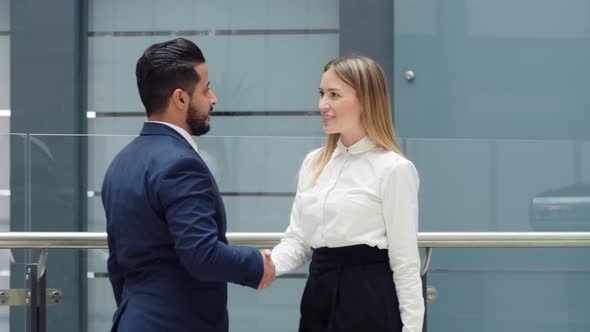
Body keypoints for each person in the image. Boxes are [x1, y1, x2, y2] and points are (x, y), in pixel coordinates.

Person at [101, 38, 275, 332]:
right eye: (206, 89)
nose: (213, 98)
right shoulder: (181, 165)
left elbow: (117, 265)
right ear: (180, 98)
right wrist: (257, 265)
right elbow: (202, 254)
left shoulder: (121, 163)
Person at [271, 55, 424, 332]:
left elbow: (405, 262)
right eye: (321, 94)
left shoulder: (394, 169)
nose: (322, 105)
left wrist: (412, 328)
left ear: (365, 99)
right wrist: (265, 265)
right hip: (318, 294)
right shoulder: (314, 163)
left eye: (333, 95)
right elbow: (299, 238)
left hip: (369, 299)